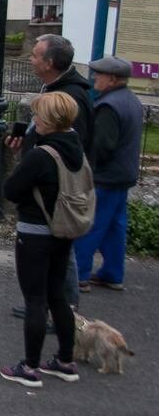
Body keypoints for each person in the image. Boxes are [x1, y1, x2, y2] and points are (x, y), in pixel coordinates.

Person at [0, 90, 85, 387]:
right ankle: (65, 360)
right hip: (64, 230)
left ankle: (30, 367)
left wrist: (22, 160)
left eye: (38, 116)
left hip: (36, 232)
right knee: (57, 296)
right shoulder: (75, 150)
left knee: (35, 300)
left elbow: (11, 190)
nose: (35, 121)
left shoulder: (41, 155)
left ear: (48, 121)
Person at [8, 33, 93, 310]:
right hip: (48, 184)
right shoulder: (54, 88)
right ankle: (52, 303)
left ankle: (65, 307)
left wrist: (39, 163)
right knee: (57, 250)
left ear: (50, 63)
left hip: (57, 190)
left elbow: (70, 145)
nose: (30, 60)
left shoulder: (70, 96)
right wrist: (27, 138)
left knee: (60, 248)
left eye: (35, 56)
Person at [74, 56, 144, 292]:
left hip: (107, 176)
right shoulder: (131, 100)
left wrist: (88, 167)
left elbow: (102, 146)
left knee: (91, 223)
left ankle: (80, 274)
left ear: (112, 79)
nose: (95, 78)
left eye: (99, 74)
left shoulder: (108, 105)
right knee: (115, 225)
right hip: (124, 174)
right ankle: (113, 273)